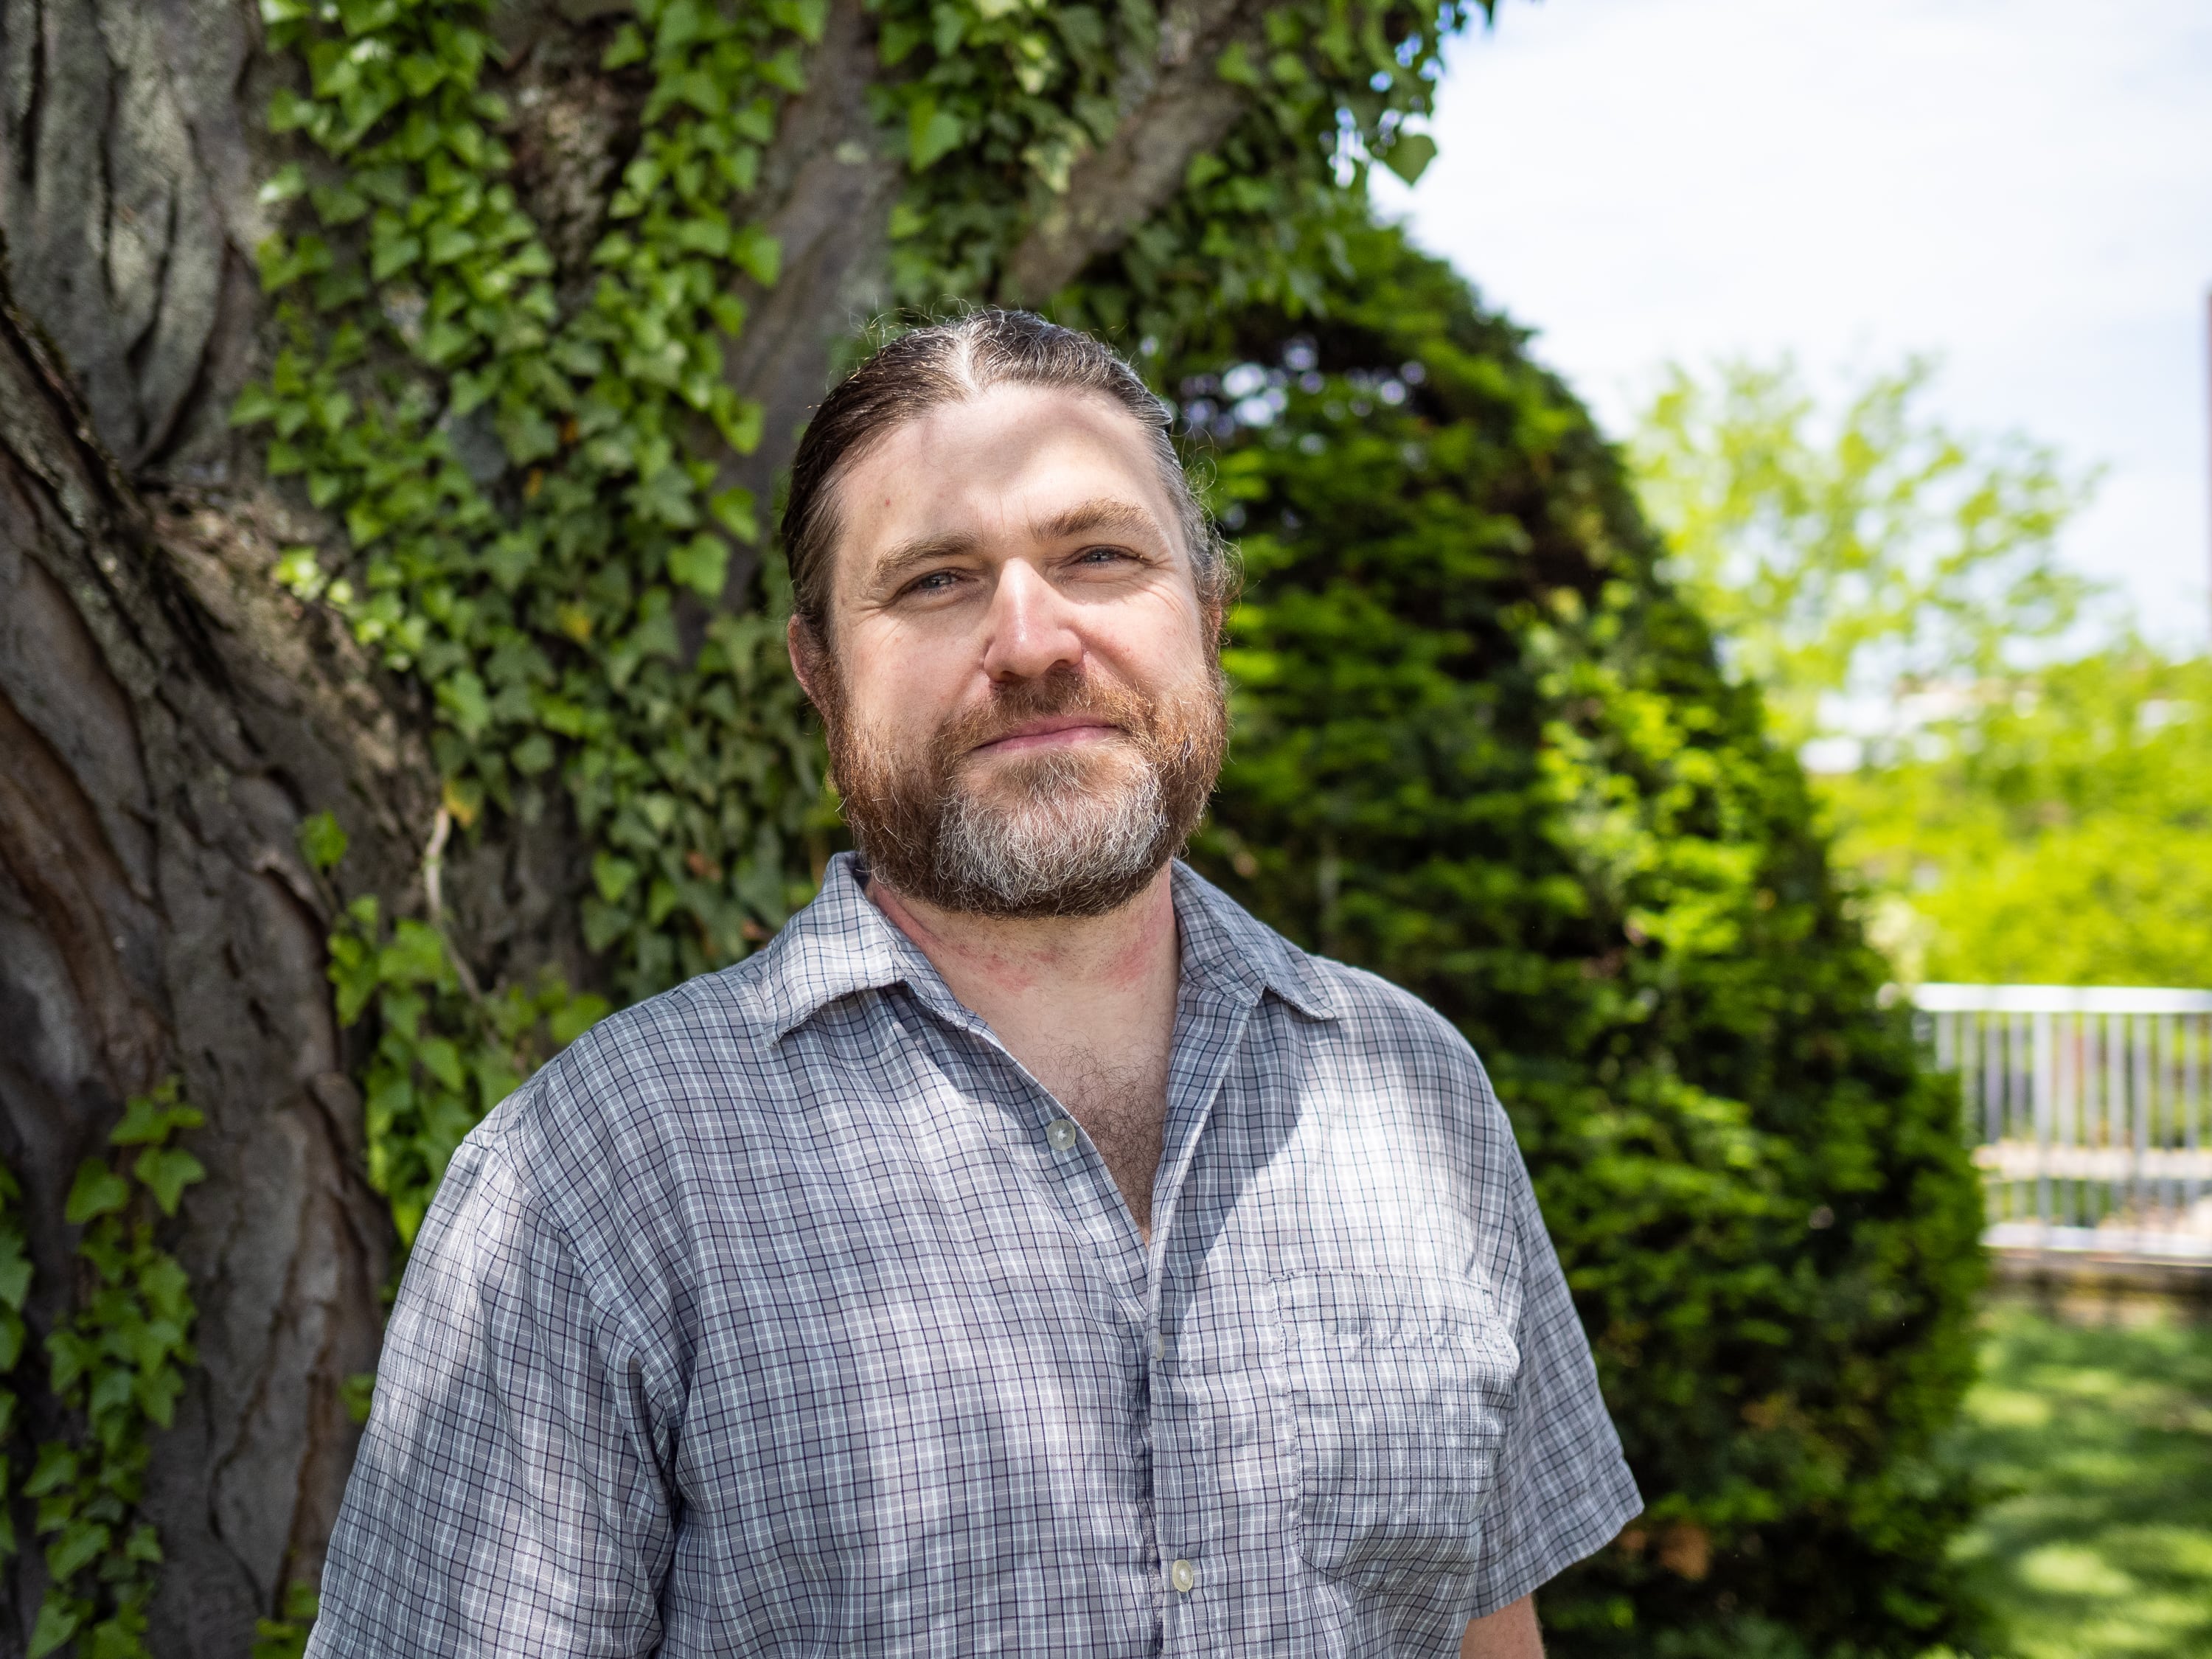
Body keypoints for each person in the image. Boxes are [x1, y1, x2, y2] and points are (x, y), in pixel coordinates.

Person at [307, 310, 1641, 1658]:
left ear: (1211, 618)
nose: (1032, 638)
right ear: (820, 677)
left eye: (1101, 555)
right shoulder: (597, 1174)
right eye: (937, 580)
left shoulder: (1413, 1089)